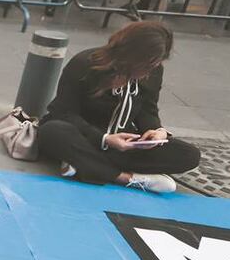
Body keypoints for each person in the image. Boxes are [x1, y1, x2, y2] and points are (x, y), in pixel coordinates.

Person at [38, 21, 200, 193]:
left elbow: (148, 110)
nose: (149, 71)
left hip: (125, 143)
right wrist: (105, 139)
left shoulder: (155, 71)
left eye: (155, 65)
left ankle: (84, 164)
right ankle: (126, 178)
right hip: (86, 135)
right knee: (52, 131)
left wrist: (156, 131)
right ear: (132, 56)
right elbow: (63, 111)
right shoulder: (85, 63)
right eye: (147, 65)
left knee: (189, 155)